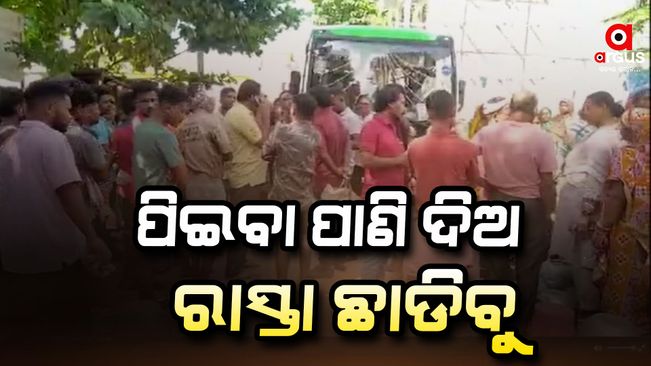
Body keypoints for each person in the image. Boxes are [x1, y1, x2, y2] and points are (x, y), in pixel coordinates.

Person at [0, 80, 110, 336]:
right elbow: (69, 193)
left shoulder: (9, 142)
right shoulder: (52, 140)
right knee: (68, 330)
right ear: (51, 107)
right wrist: (92, 238)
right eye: (67, 109)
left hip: (16, 259)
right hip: (55, 256)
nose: (70, 116)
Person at [472, 90, 557, 328]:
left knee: (496, 263)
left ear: (510, 106)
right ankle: (522, 319)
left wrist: (484, 183)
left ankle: (497, 314)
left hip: (496, 200)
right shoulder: (542, 137)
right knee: (528, 267)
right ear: (535, 109)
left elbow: (469, 159)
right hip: (530, 206)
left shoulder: (487, 132)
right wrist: (549, 211)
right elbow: (547, 181)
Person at [548, 91, 625, 320]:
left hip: (585, 203)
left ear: (603, 106)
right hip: (584, 200)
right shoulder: (606, 133)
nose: (585, 111)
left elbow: (595, 177)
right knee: (581, 257)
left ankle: (586, 310)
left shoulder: (604, 138)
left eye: (589, 107)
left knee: (583, 259)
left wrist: (585, 213)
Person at [405, 90, 481, 280]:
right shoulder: (468, 148)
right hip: (456, 218)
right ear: (453, 111)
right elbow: (475, 181)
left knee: (420, 276)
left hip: (425, 217)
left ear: (429, 113)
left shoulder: (414, 146)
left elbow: (413, 176)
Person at [593, 92, 649, 330]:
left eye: (624, 126)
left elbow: (615, 197)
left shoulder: (626, 156)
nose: (621, 131)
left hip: (630, 236)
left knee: (624, 291)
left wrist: (602, 227)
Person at [176, 84, 232, 277]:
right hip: (211, 182)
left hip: (191, 184)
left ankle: (195, 270)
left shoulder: (182, 126)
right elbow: (227, 152)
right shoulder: (213, 121)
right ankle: (206, 275)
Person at [263, 93, 321, 279]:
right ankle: (305, 277)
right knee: (305, 238)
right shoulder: (315, 134)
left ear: (294, 109)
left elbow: (265, 153)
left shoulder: (283, 131)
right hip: (305, 190)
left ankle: (282, 281)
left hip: (284, 192)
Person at [358, 84, 409, 279]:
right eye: (402, 102)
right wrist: (399, 161)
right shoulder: (372, 127)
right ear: (390, 104)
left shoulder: (397, 127)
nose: (404, 107)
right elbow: (366, 160)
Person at [224, 79, 269, 277]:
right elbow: (262, 141)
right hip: (245, 177)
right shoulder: (240, 114)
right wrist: (265, 115)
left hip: (249, 175)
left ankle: (239, 264)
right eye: (260, 95)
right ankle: (233, 271)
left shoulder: (241, 113)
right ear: (253, 96)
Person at [133, 84, 189, 192]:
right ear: (167, 107)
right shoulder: (164, 135)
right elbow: (182, 178)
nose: (183, 117)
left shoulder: (141, 127)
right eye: (182, 111)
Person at [65, 86, 109, 224]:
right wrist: (111, 158)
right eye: (94, 108)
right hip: (84, 196)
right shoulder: (84, 137)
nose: (98, 112)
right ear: (79, 110)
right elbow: (101, 172)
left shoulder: (60, 132)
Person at [310, 86, 350, 198]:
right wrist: (343, 169)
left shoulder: (317, 121)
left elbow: (322, 152)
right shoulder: (339, 119)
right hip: (338, 173)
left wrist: (336, 170)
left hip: (321, 175)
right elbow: (347, 147)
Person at [332, 87, 363, 194]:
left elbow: (358, 142)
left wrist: (342, 142)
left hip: (348, 166)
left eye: (333, 102)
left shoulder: (352, 118)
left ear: (341, 99)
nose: (331, 106)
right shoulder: (334, 116)